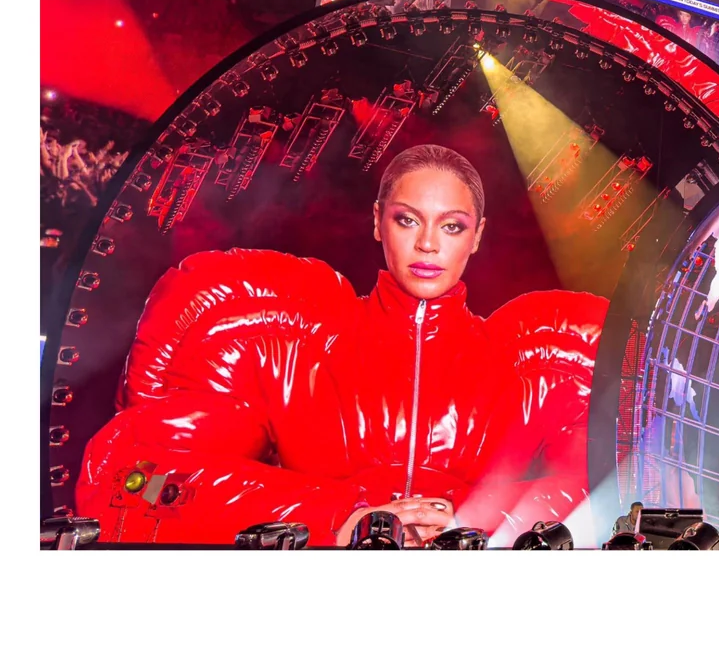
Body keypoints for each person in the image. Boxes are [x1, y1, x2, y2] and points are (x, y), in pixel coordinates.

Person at [75, 144, 607, 547]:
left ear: (478, 235)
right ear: (378, 221)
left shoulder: (540, 361)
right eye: (407, 219)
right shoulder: (283, 334)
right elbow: (134, 476)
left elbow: (621, 492)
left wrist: (476, 523)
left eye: (451, 226)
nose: (427, 244)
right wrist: (342, 516)